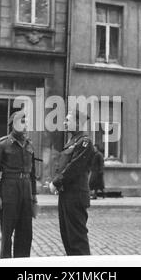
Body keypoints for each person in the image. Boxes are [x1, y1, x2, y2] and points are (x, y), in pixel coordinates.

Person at [0, 110, 38, 258]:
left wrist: (34, 197)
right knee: (7, 233)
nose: (25, 124)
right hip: (9, 190)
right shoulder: (3, 144)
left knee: (25, 233)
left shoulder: (29, 145)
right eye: (22, 121)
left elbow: (33, 174)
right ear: (13, 125)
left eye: (26, 121)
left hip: (26, 190)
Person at [49, 109, 95, 256]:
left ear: (78, 123)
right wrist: (58, 183)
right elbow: (63, 165)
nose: (64, 122)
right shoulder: (72, 141)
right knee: (68, 238)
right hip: (66, 195)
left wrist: (56, 182)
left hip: (75, 197)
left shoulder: (85, 142)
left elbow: (74, 167)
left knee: (77, 240)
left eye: (68, 120)